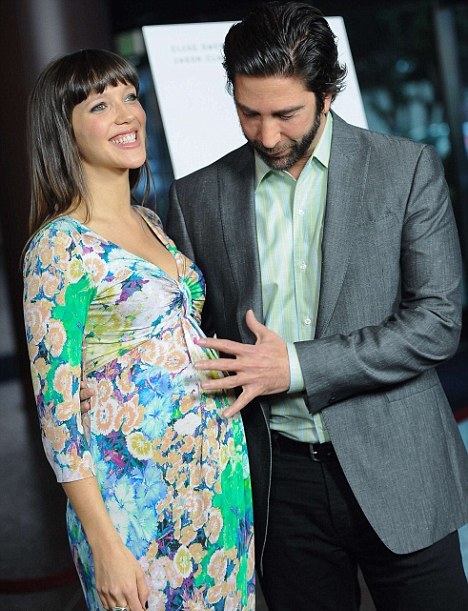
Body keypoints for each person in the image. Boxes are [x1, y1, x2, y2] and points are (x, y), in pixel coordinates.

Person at [165, 3, 468, 610]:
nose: (266, 136)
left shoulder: (405, 170)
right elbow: (187, 340)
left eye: (286, 115)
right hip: (278, 483)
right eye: (248, 113)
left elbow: (437, 323)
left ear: (327, 95)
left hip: (399, 465)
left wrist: (297, 367)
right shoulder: (195, 197)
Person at [23, 49, 255, 611]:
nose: (127, 114)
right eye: (100, 105)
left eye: (130, 96)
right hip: (137, 504)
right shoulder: (57, 247)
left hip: (216, 483)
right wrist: (105, 545)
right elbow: (57, 418)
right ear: (63, 129)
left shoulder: (150, 221)